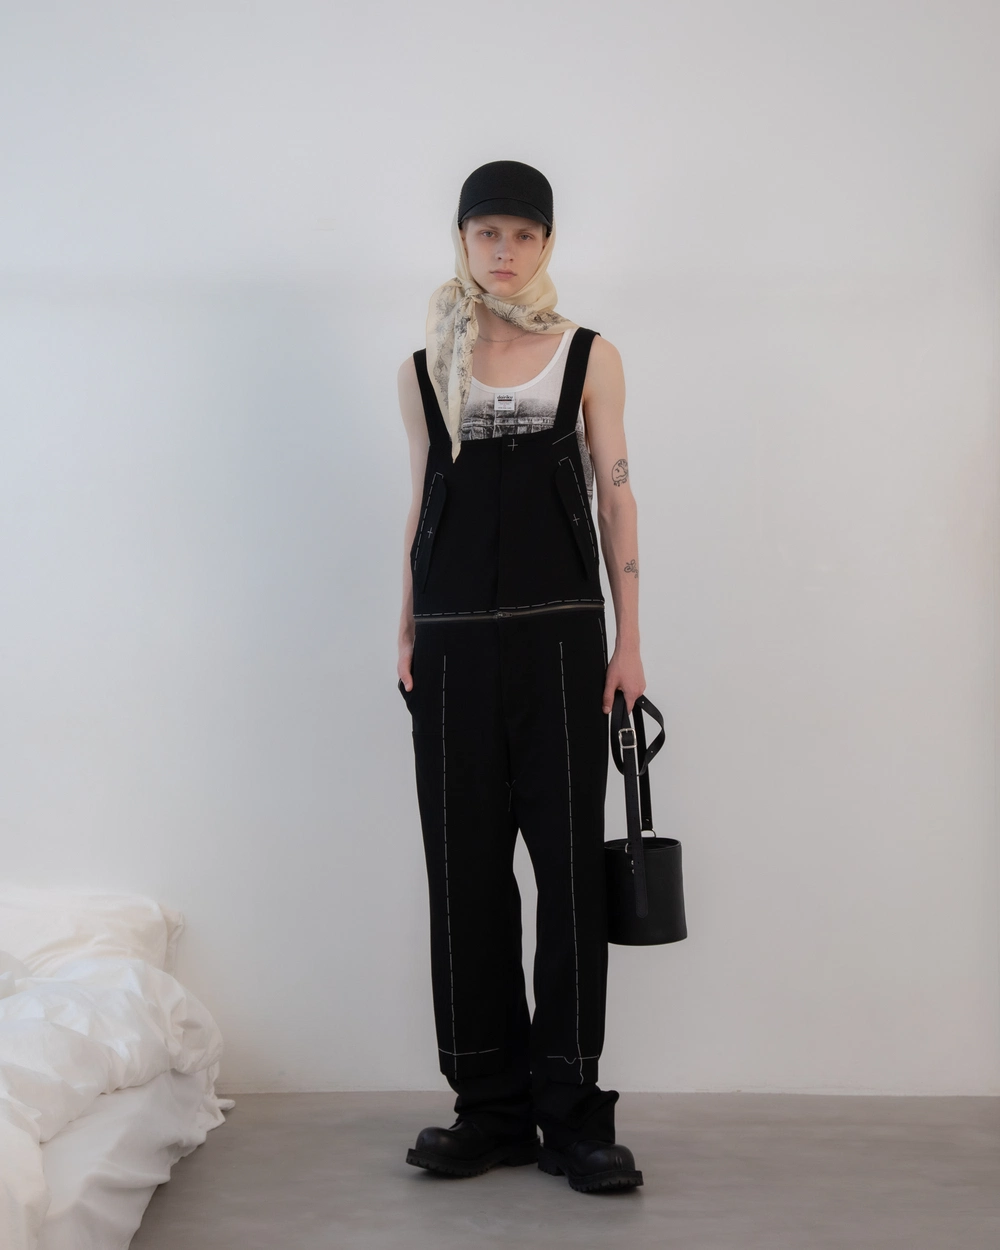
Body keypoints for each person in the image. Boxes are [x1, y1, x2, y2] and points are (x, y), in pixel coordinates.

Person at [395, 160, 646, 1194]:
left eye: (523, 234)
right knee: (463, 876)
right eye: (485, 231)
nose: (503, 251)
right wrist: (405, 628)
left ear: (547, 244)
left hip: (562, 641)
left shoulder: (587, 355)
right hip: (451, 644)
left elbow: (617, 497)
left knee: (570, 874)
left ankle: (574, 1114)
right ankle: (488, 1109)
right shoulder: (425, 368)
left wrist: (630, 642)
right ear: (461, 240)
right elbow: (423, 501)